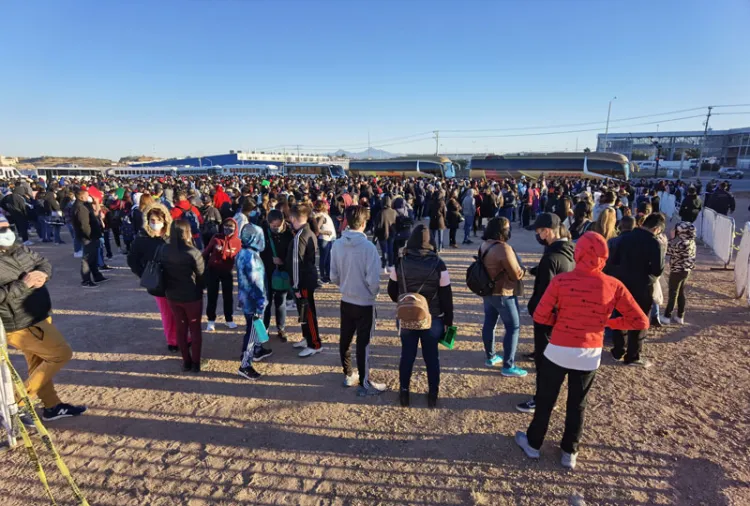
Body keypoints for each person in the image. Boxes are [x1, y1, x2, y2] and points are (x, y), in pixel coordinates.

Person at [515, 232, 649, 469]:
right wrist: (609, 323)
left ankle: (534, 444)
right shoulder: (613, 285)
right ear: (604, 257)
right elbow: (640, 321)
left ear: (578, 254)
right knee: (578, 404)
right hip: (589, 354)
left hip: (558, 349)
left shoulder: (561, 281)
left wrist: (558, 318)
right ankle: (570, 451)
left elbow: (540, 315)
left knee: (546, 399)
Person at [0, 214, 87, 424]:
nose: (7, 233)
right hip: (21, 322)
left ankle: (52, 406)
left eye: (7, 227)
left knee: (38, 362)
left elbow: (43, 262)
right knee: (61, 353)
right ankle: (18, 404)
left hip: (39, 313)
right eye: (1, 230)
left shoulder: (19, 248)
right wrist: (24, 284)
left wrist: (43, 275)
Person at [388, 224, 453, 408]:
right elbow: (446, 296)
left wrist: (406, 301)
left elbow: (391, 291)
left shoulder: (400, 261)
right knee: (432, 357)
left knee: (407, 355)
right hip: (432, 318)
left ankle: (404, 392)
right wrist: (449, 321)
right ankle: (433, 394)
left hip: (407, 316)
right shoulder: (439, 264)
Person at [516, 213, 575, 414]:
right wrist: (536, 270)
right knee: (554, 359)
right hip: (564, 314)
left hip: (547, 318)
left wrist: (534, 310)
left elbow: (546, 293)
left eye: (539, 231)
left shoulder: (551, 257)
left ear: (547, 231)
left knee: (545, 361)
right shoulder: (570, 250)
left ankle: (542, 399)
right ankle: (549, 395)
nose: (538, 235)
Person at [330, 205, 386, 396]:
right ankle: (364, 382)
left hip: (346, 300)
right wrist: (373, 293)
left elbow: (333, 275)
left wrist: (345, 286)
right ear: (364, 223)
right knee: (363, 344)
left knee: (345, 338)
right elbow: (373, 280)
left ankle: (348, 373)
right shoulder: (369, 248)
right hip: (364, 303)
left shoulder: (337, 244)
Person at [608, 212, 665, 367]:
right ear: (656, 229)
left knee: (620, 315)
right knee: (640, 319)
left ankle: (618, 350)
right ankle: (633, 355)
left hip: (622, 283)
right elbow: (658, 269)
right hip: (642, 285)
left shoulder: (625, 238)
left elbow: (614, 261)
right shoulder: (654, 243)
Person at [478, 217, 527, 376]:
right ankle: (508, 365)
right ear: (501, 231)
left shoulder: (485, 244)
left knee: (489, 323)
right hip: (503, 293)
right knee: (513, 327)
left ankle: (490, 356)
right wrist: (524, 269)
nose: (509, 231)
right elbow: (516, 274)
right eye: (507, 228)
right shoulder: (503, 248)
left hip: (488, 291)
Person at [127, 202, 178, 351]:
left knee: (179, 312)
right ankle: (172, 341)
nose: (155, 224)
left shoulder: (173, 235)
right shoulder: (142, 238)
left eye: (159, 220)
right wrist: (144, 274)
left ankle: (183, 336)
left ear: (165, 220)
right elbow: (132, 260)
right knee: (167, 313)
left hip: (176, 280)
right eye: (152, 221)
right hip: (158, 283)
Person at [162, 220, 205, 372]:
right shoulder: (193, 252)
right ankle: (196, 363)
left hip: (173, 295)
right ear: (187, 232)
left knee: (181, 328)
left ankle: (186, 361)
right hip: (192, 295)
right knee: (194, 328)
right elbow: (201, 275)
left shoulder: (164, 249)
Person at [288, 204, 322, 358]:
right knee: (303, 310)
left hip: (302, 280)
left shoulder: (301, 235)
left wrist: (295, 284)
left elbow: (296, 262)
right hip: (307, 277)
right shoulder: (308, 231)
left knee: (308, 312)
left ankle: (315, 343)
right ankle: (307, 337)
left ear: (293, 218)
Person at [236, 223, 270, 380]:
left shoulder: (242, 252)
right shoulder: (252, 257)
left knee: (254, 328)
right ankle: (245, 364)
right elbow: (256, 283)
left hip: (246, 299)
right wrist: (261, 301)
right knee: (252, 330)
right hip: (254, 302)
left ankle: (257, 349)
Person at [261, 210, 294, 342]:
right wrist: (270, 258)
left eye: (278, 226)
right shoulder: (262, 232)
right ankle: (265, 329)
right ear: (268, 223)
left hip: (282, 273)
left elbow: (292, 253)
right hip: (267, 272)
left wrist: (283, 262)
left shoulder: (289, 233)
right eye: (273, 226)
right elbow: (259, 251)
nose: (276, 228)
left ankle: (281, 328)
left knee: (281, 302)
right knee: (267, 302)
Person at [203, 218, 241, 331]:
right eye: (226, 226)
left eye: (231, 227)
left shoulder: (238, 242)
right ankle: (211, 320)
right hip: (213, 270)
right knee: (212, 295)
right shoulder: (216, 238)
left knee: (228, 296)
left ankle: (229, 319)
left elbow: (239, 258)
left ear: (235, 228)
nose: (228, 229)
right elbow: (206, 252)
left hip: (227, 271)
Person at [72, 188, 108, 288]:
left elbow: (95, 214)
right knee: (87, 259)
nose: (89, 197)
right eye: (87, 195)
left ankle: (97, 276)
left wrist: (96, 202)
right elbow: (84, 225)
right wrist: (89, 236)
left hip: (93, 235)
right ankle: (86, 280)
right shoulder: (80, 207)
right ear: (81, 196)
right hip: (88, 237)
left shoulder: (85, 205)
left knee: (93, 258)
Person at [663, 221, 696, 325]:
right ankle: (680, 316)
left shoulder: (681, 244)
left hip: (677, 271)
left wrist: (670, 239)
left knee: (673, 293)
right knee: (681, 293)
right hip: (686, 271)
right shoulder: (691, 241)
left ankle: (667, 316)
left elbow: (667, 250)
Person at [373, 196, 397, 273]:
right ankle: (390, 265)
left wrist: (375, 235)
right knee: (390, 250)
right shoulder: (394, 212)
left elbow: (377, 225)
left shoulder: (381, 212)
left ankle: (384, 266)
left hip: (382, 234)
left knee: (384, 251)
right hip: (392, 233)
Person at [314, 200, 336, 282]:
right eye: (326, 205)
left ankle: (328, 275)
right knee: (324, 259)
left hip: (328, 239)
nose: (328, 206)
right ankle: (323, 276)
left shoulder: (324, 215)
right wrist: (326, 232)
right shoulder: (322, 216)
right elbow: (317, 229)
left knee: (328, 259)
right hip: (324, 239)